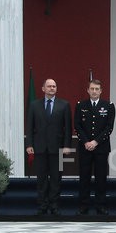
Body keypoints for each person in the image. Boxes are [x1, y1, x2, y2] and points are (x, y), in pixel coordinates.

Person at [26, 78, 73, 215]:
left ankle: (54, 205)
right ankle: (42, 205)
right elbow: (29, 127)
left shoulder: (64, 105)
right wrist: (29, 144)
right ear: (43, 89)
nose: (52, 88)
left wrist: (67, 146)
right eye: (49, 86)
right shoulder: (34, 105)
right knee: (41, 178)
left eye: (54, 86)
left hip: (57, 148)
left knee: (56, 178)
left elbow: (68, 128)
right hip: (39, 148)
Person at [74, 79, 115, 215]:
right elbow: (77, 125)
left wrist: (95, 142)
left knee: (101, 177)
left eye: (97, 89)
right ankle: (83, 205)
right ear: (88, 90)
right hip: (84, 147)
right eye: (92, 89)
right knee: (84, 177)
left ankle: (100, 205)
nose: (94, 91)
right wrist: (86, 142)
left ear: (101, 91)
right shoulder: (81, 105)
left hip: (101, 147)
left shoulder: (108, 105)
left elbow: (109, 127)